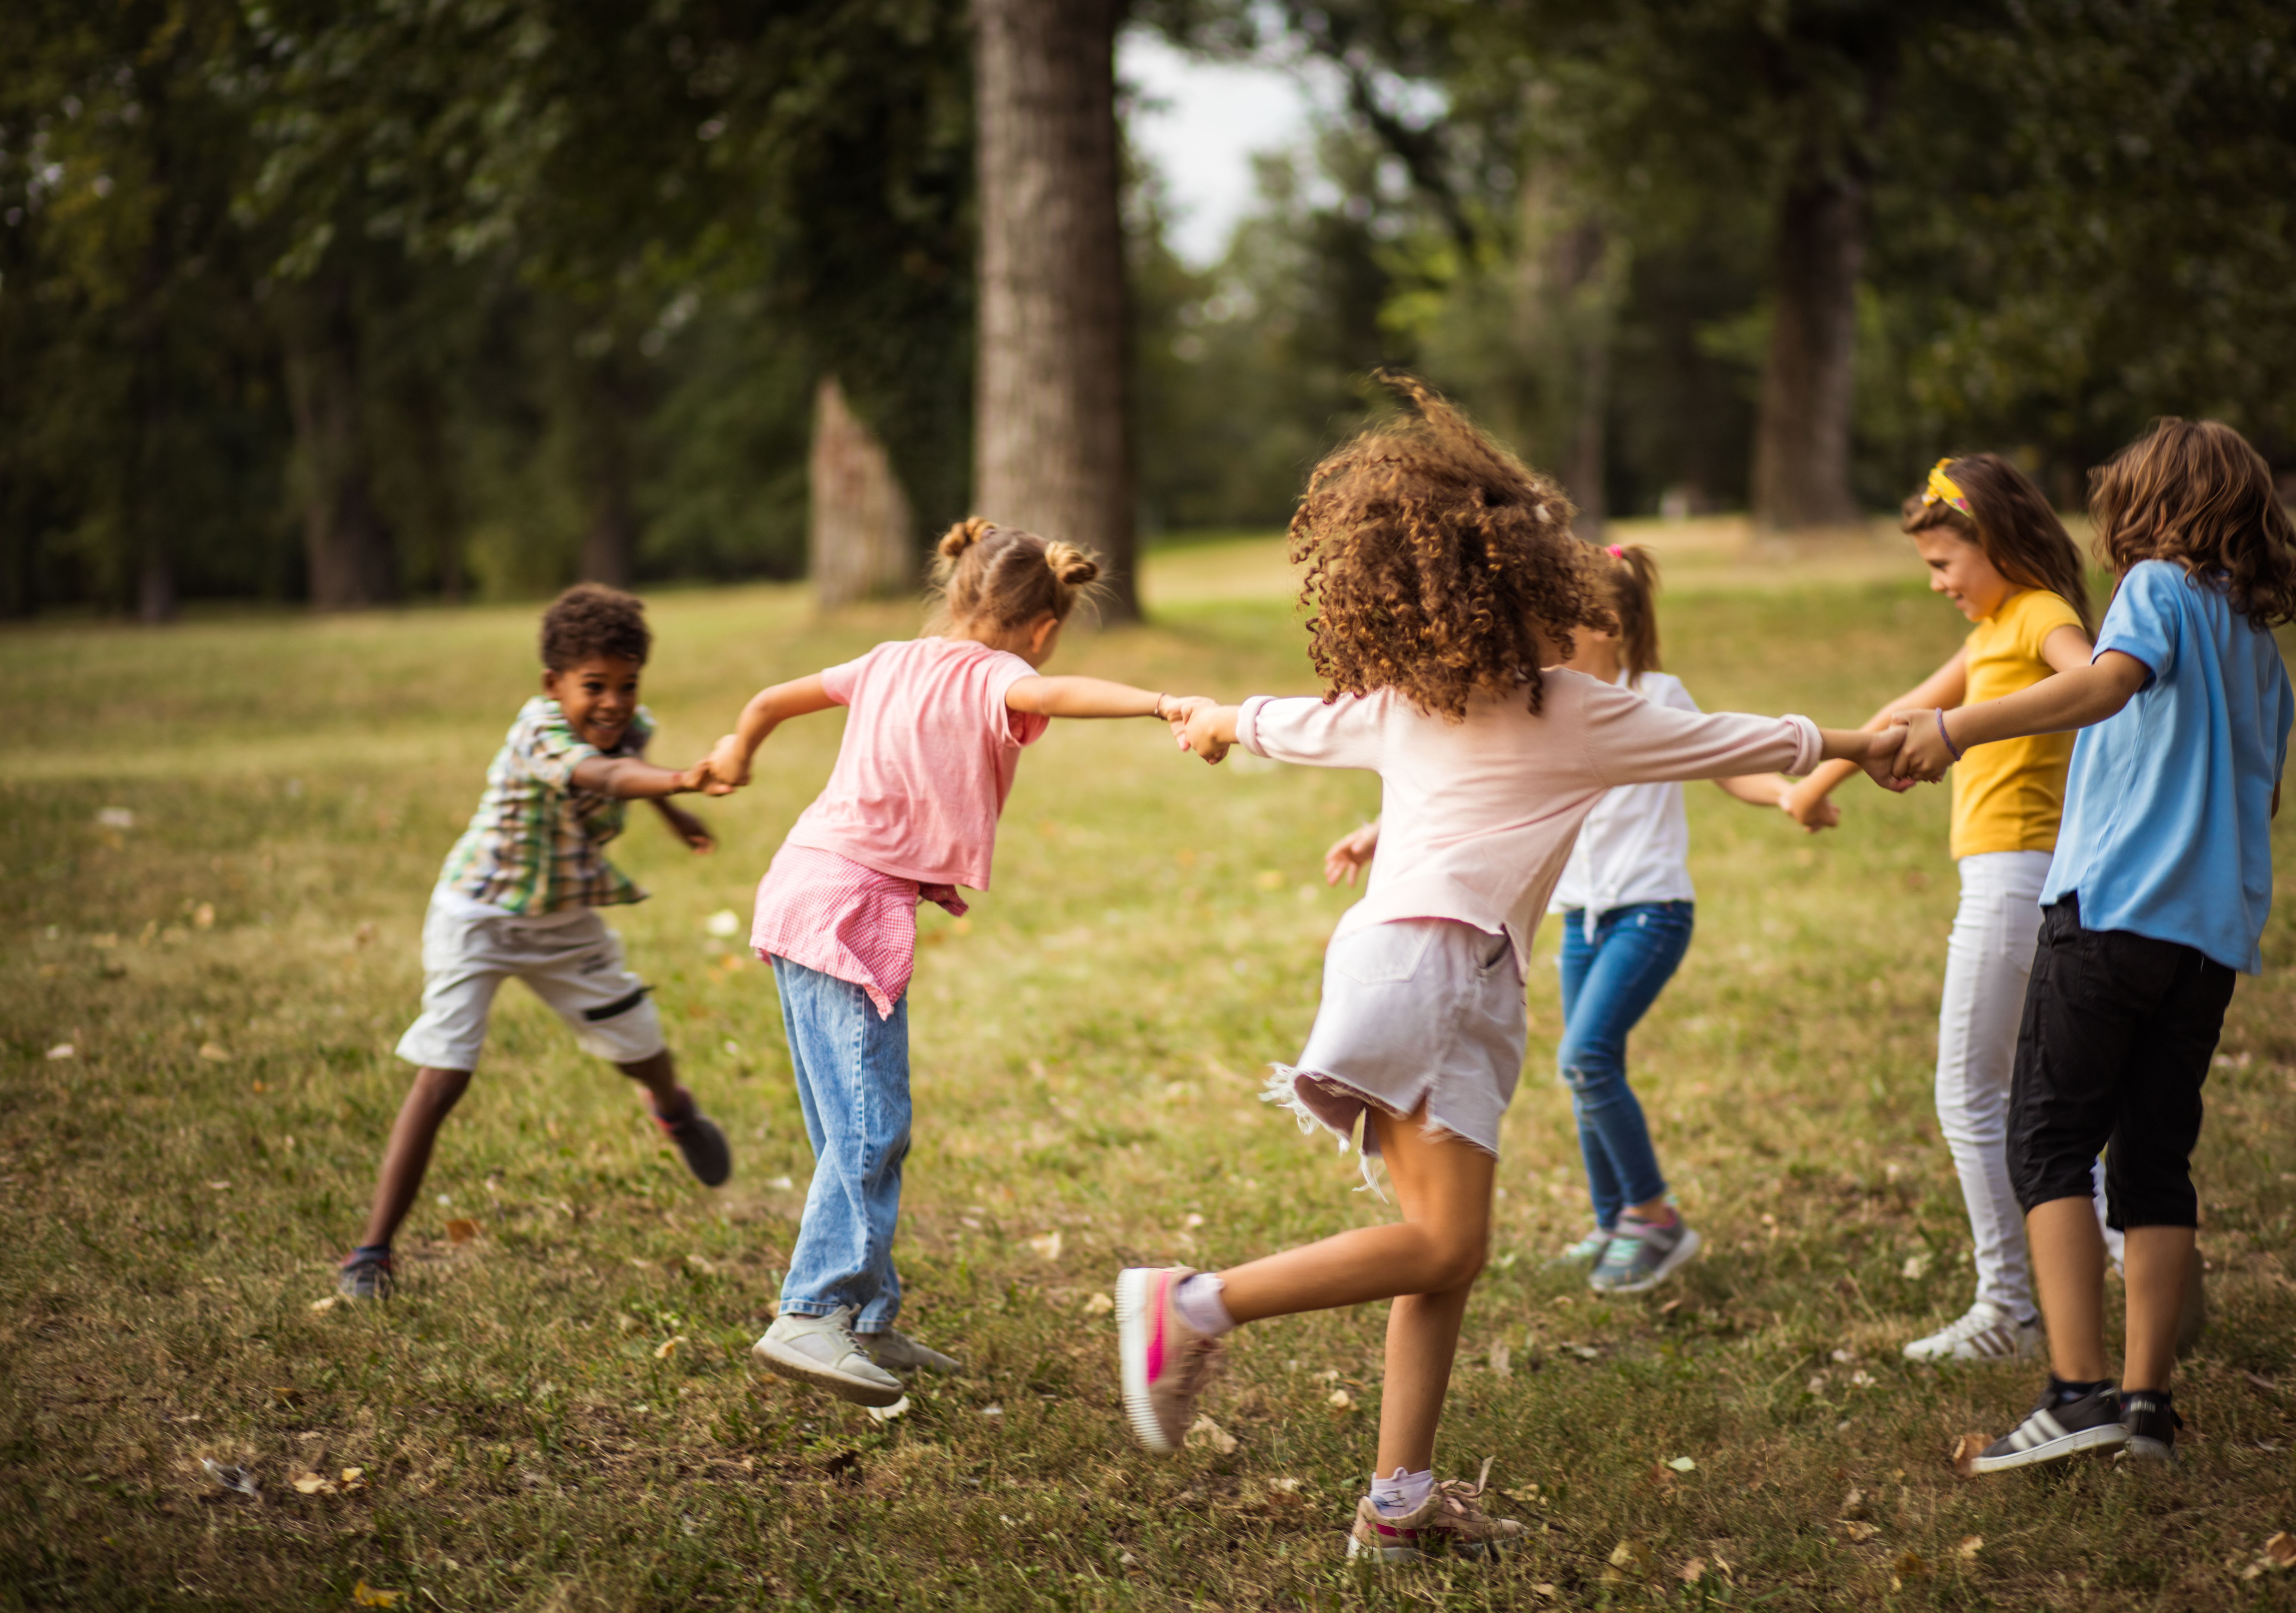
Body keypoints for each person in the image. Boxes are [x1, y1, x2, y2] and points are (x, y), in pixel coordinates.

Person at [1114, 377, 1908, 1563]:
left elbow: (1278, 719)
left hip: (1423, 967)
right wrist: (1866, 745)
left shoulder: (1408, 701)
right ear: (1525, 592)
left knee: (1450, 1248)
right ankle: (1191, 1305)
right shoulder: (1577, 711)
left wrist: (1215, 718)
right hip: (1439, 969)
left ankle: (1398, 1503)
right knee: (1442, 1246)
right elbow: (1739, 739)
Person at [701, 518, 1209, 1408]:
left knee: (847, 1129)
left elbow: (773, 699)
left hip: (802, 891)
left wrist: (739, 748)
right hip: (850, 907)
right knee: (868, 1127)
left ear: (957, 590)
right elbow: (1066, 695)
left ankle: (866, 1320)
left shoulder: (887, 658)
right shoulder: (1003, 675)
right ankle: (809, 1314)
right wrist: (1165, 703)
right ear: (1043, 630)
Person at [1889, 419, 2296, 1470]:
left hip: (2114, 914)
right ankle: (2147, 1410)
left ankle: (2077, 1393)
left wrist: (1957, 729)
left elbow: (2105, 686)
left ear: (2153, 510)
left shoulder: (2159, 590)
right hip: (2208, 942)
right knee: (2156, 1165)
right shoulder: (2261, 654)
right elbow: (2259, 807)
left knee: (2047, 1143)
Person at [1322, 543, 1838, 1298]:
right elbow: (1476, 783)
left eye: (1564, 615)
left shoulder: (1655, 696)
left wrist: (1787, 795)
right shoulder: (1541, 703)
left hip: (1650, 914)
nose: (1547, 630)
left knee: (1586, 1057)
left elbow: (1727, 763)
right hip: (1580, 921)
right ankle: (1612, 1223)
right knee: (1586, 1063)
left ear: (1609, 624)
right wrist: (1377, 831)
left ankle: (1655, 1219)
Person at [1786, 454, 2131, 1363]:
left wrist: (1978, 726)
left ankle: (2014, 1307)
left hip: (2019, 875)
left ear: (1998, 543)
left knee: (1973, 1097)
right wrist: (1817, 781)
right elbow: (1910, 708)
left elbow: (2095, 681)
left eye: (1944, 564)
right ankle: (2125, 1253)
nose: (1938, 584)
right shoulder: (1995, 626)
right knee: (2040, 1098)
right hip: (2016, 877)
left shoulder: (2040, 615)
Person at [340, 584, 728, 1300]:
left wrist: (674, 815)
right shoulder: (540, 733)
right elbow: (602, 774)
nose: (613, 702)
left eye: (627, 683)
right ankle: (371, 1252)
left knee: (639, 1043)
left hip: (565, 918)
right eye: (594, 687)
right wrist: (679, 780)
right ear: (553, 686)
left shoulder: (631, 724)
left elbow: (626, 758)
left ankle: (673, 1107)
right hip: (479, 918)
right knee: (444, 1073)